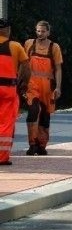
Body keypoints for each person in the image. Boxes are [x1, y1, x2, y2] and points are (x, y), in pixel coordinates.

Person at [23, 20, 63, 156]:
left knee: (45, 116)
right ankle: (32, 144)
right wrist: (20, 82)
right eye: (38, 31)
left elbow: (58, 69)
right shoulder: (29, 44)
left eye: (43, 31)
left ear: (48, 32)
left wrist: (58, 87)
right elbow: (23, 65)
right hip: (32, 85)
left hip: (47, 86)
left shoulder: (54, 47)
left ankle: (41, 145)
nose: (40, 34)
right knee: (33, 112)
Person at [0, 18, 30, 165]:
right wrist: (23, 83)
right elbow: (26, 68)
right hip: (8, 89)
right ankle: (2, 157)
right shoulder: (15, 46)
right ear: (8, 30)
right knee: (5, 123)